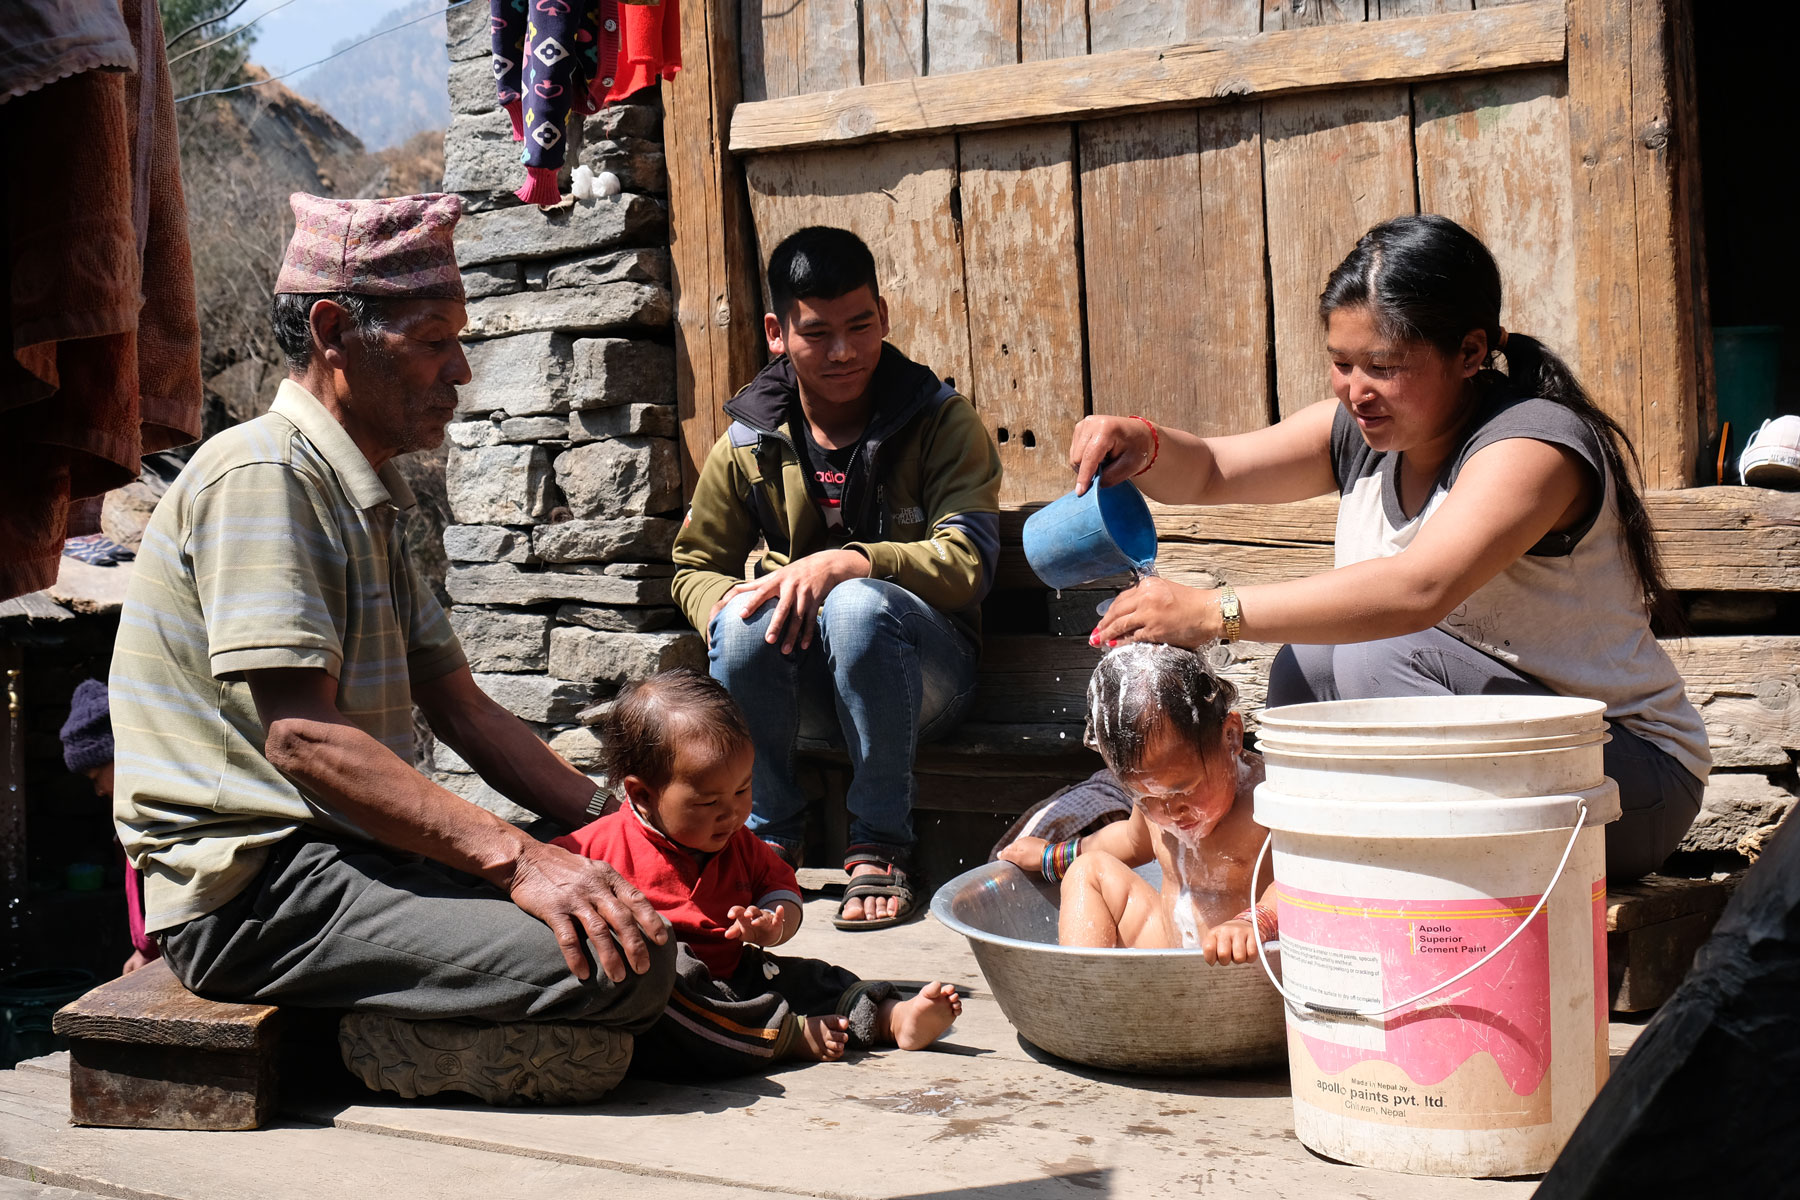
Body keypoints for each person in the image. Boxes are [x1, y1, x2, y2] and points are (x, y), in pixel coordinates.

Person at [108, 192, 674, 1105]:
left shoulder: (363, 494)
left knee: (630, 907)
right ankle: (373, 1048)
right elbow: (302, 739)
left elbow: (464, 709)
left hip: (351, 855)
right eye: (432, 340)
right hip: (256, 893)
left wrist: (625, 832)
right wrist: (525, 861)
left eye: (460, 342)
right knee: (628, 962)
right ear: (335, 331)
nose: (460, 372)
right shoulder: (265, 476)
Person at [1067, 214, 1707, 882]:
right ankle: (1336, 874)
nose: (1356, 390)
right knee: (1307, 666)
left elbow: (1416, 591)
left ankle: (1389, 878)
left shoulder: (1534, 446)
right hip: (1516, 780)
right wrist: (1141, 441)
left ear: (1469, 352)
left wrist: (1214, 611)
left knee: (1369, 655)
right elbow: (1211, 470)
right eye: (1341, 364)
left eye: (1384, 367)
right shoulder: (1361, 433)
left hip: (1621, 785)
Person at [672, 226, 1003, 930]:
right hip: (800, 694)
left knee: (854, 605)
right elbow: (693, 567)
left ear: (882, 316)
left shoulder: (940, 422)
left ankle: (881, 843)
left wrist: (855, 561)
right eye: (817, 333)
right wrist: (726, 605)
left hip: (927, 685)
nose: (844, 351)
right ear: (776, 331)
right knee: (741, 618)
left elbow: (968, 563)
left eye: (860, 326)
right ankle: (766, 838)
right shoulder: (750, 439)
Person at [554, 669, 964, 1075]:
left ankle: (893, 1018)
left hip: (738, 974)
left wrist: (773, 925)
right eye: (708, 802)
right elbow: (542, 884)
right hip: (672, 996)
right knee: (672, 982)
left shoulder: (739, 841)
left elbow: (779, 888)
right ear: (643, 794)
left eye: (743, 790)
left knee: (812, 979)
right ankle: (784, 1037)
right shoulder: (594, 850)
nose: (731, 813)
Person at [998, 645, 1275, 962]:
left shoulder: (1268, 798)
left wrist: (1260, 920)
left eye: (1184, 789)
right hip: (1173, 948)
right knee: (1087, 871)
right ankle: (1090, 991)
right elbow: (1131, 841)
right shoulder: (1158, 807)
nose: (1170, 811)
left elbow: (1312, 879)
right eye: (1147, 797)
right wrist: (1055, 855)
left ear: (1231, 737)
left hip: (1250, 960)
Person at [58, 678, 159, 975]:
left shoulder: (160, 812)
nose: (99, 790)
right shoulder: (129, 816)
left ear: (119, 754)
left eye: (95, 777)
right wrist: (144, 952)